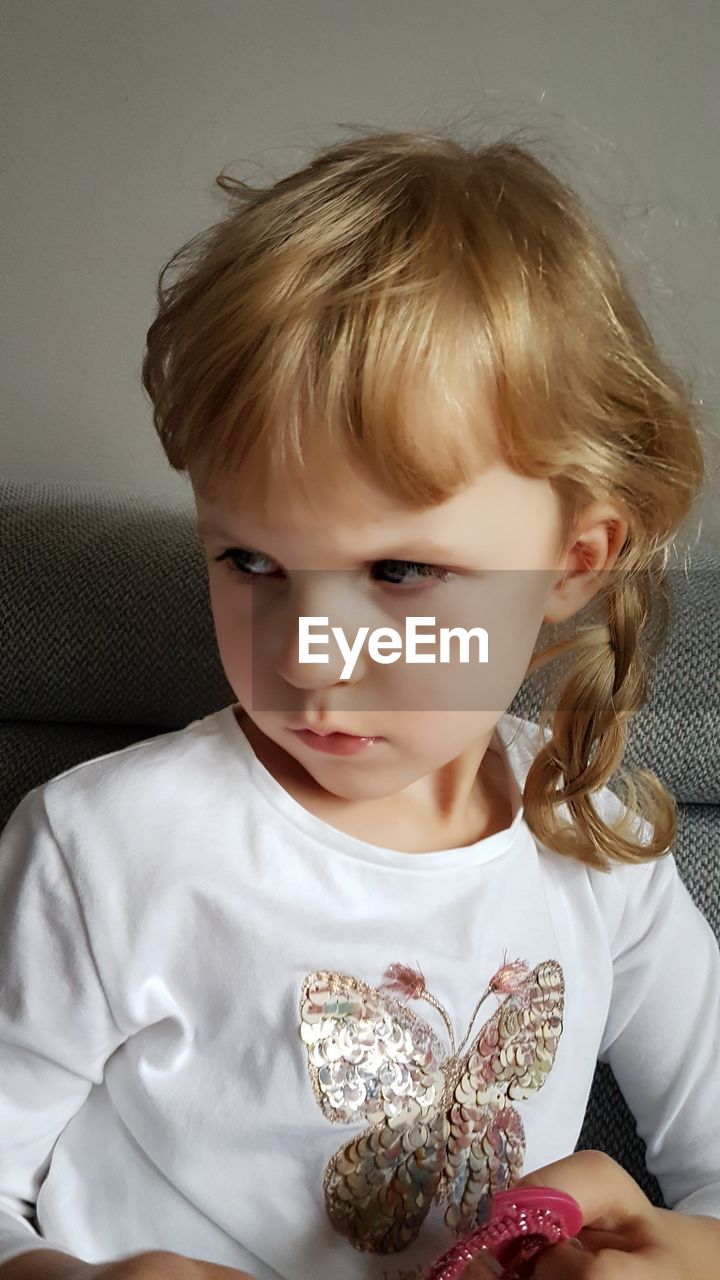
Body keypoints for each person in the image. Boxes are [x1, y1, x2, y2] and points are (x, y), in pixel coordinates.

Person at [1, 127, 718, 1280]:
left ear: (575, 562)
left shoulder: (603, 844)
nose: (308, 663)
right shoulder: (106, 848)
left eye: (397, 572)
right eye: (247, 562)